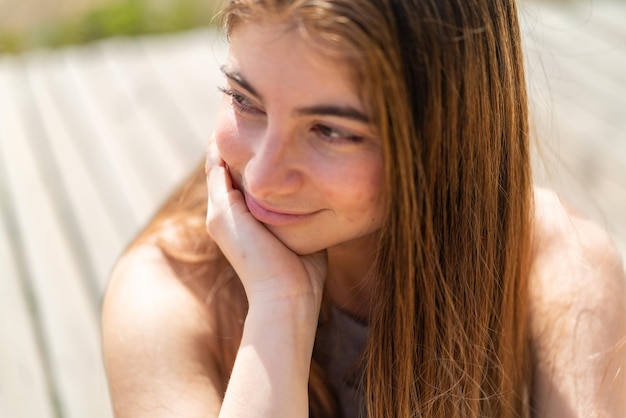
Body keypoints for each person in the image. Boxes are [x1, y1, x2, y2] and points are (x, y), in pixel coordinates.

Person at [101, 0, 626, 416]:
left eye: (331, 131)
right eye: (244, 99)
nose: (262, 177)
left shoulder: (558, 270)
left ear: (445, 132)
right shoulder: (168, 292)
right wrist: (279, 305)